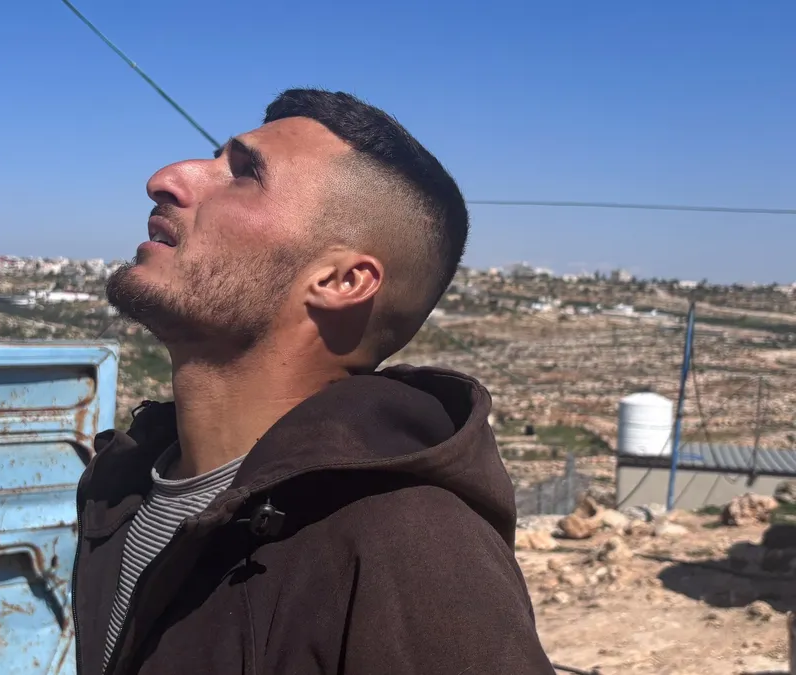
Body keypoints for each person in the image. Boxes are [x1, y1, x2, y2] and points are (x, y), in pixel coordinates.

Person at [72, 88, 554, 675]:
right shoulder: (118, 488)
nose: (166, 179)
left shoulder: (412, 548)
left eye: (245, 174)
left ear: (341, 281)